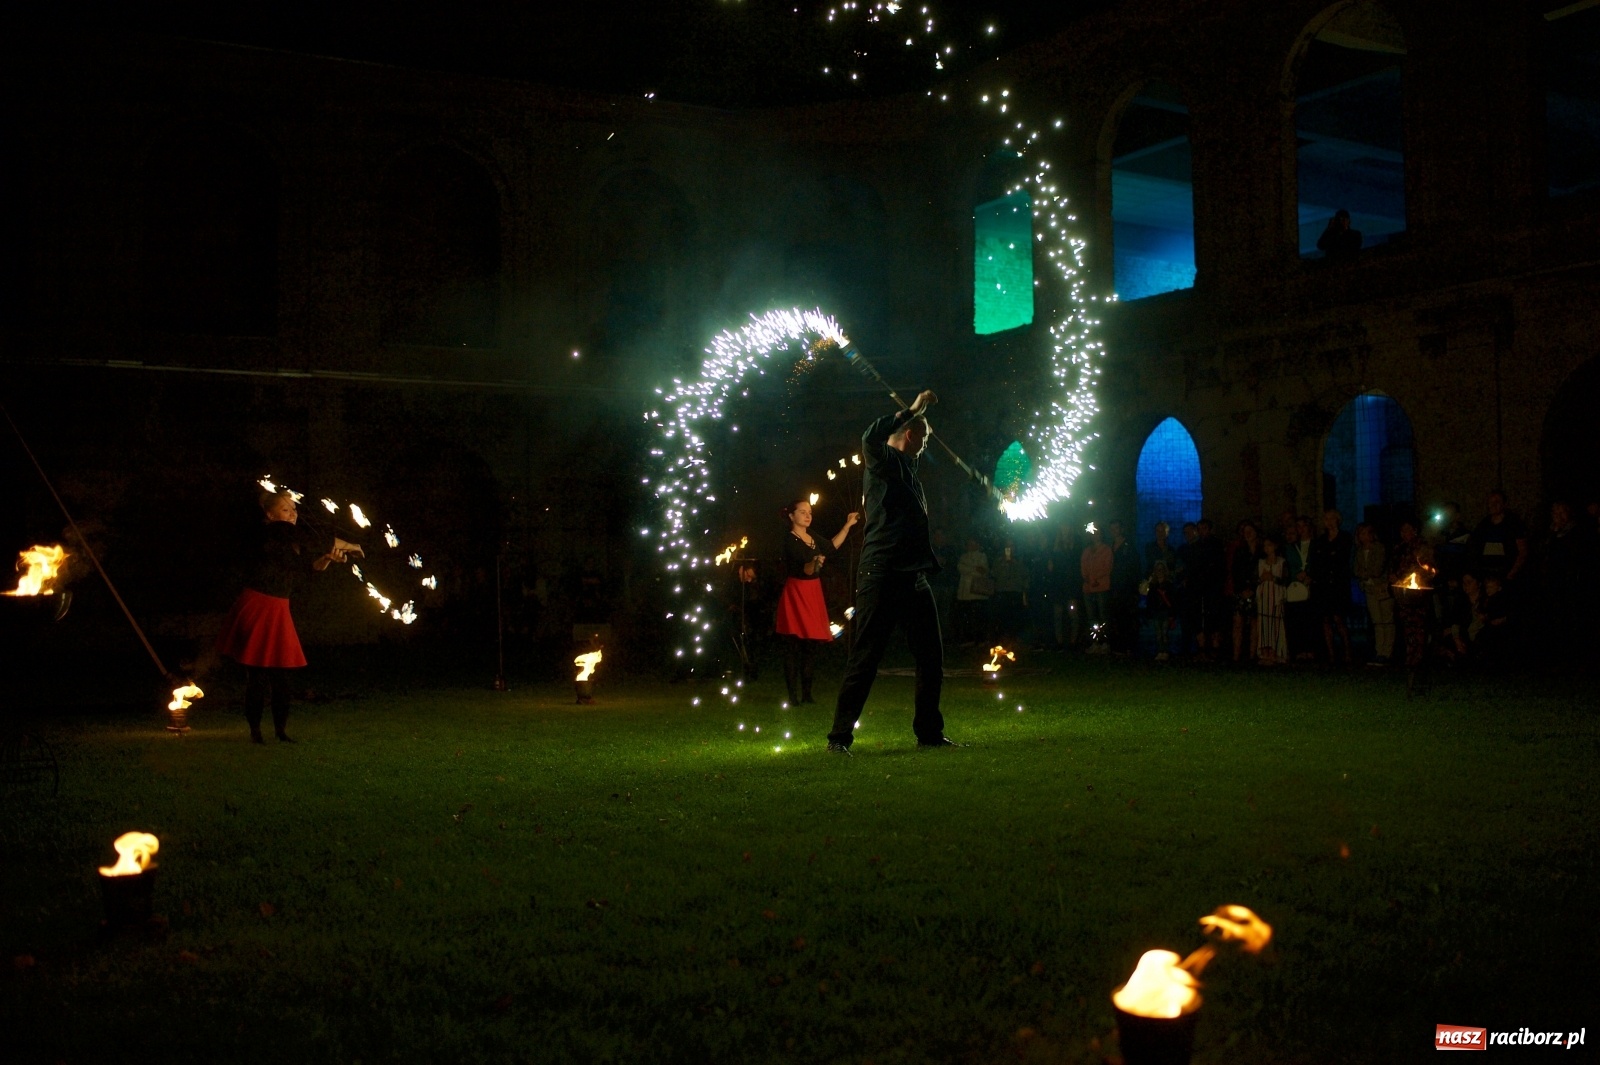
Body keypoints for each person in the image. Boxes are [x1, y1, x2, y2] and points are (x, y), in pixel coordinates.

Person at [827, 391, 957, 753]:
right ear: (911, 434)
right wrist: (912, 410)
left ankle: (929, 734)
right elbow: (870, 436)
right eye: (926, 435)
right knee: (866, 656)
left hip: (912, 575)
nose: (929, 442)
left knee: (931, 656)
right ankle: (839, 739)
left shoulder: (908, 470)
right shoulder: (882, 460)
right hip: (881, 572)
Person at [216, 489, 363, 743]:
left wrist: (328, 558)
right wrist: (351, 545)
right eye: (285, 510)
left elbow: (309, 568)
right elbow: (311, 539)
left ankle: (281, 732)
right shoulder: (272, 532)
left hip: (279, 607)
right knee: (258, 675)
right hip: (259, 605)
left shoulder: (290, 539)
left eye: (293, 509)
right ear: (270, 514)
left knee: (281, 676)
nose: (293, 514)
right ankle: (256, 732)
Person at [774, 499, 858, 705]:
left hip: (812, 591)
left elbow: (830, 547)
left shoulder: (811, 536)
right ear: (792, 516)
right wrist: (814, 562)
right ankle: (793, 696)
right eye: (802, 512)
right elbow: (804, 570)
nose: (807, 515)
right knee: (794, 645)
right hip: (797, 592)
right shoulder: (789, 540)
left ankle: (807, 694)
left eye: (809, 512)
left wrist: (847, 525)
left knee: (811, 645)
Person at [1311, 509, 1354, 664]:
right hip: (1324, 585)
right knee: (1326, 620)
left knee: (1339, 618)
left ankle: (1348, 652)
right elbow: (1317, 561)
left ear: (1338, 520)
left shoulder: (1345, 538)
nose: (1329, 521)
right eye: (1326, 518)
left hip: (1338, 584)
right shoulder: (1321, 541)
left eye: (1332, 518)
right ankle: (1331, 654)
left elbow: (1342, 559)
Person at [1353, 522, 1394, 665]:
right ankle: (1379, 651)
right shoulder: (1359, 551)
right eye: (1360, 534)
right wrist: (1364, 576)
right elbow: (1356, 569)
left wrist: (1367, 573)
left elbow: (1378, 569)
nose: (1362, 536)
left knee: (1386, 620)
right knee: (1377, 621)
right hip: (1369, 589)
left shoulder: (1379, 548)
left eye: (1364, 533)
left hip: (1381, 588)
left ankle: (1387, 651)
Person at [1228, 520, 1261, 664]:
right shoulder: (1240, 551)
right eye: (1245, 532)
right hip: (1241, 592)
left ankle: (1253, 655)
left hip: (1257, 591)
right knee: (1238, 622)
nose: (1247, 534)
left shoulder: (1262, 551)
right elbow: (1235, 572)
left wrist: (1254, 589)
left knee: (1255, 622)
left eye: (1250, 531)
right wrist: (1242, 590)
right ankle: (1236, 655)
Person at [1255, 534, 1289, 664]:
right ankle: (1265, 652)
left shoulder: (1281, 562)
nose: (1266, 548)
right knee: (1264, 624)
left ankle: (1277, 651)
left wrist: (1273, 578)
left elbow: (1285, 580)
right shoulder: (1261, 562)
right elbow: (1256, 579)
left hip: (1276, 597)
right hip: (1264, 597)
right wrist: (1261, 579)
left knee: (1276, 623)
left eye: (1269, 545)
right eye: (1265, 546)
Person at [1080, 524, 1112, 653]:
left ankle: (1104, 642)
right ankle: (1095, 642)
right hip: (1088, 588)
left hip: (1102, 587)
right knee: (1092, 616)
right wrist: (1088, 578)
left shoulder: (1106, 550)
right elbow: (1083, 566)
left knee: (1103, 615)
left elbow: (1107, 567)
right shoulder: (1087, 551)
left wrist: (1095, 579)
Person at [954, 538, 991, 647]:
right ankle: (968, 639)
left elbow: (982, 571)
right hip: (965, 593)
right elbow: (960, 568)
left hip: (978, 592)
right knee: (967, 618)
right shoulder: (963, 556)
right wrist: (973, 568)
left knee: (979, 617)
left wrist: (969, 568)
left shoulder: (982, 556)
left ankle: (981, 639)